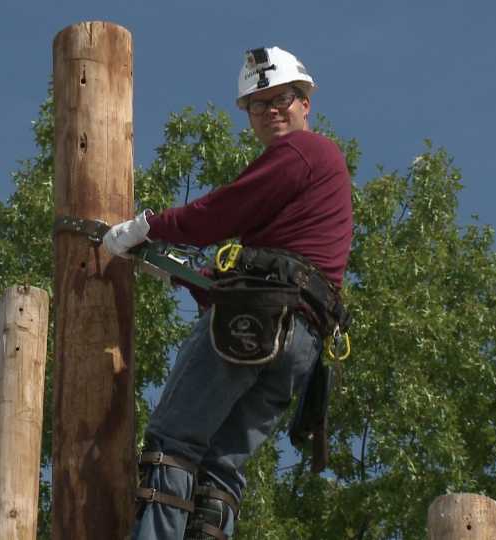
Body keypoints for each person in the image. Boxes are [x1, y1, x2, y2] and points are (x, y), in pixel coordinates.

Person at [102, 46, 353, 540]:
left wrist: (150, 228)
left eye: (284, 98)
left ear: (306, 104)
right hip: (297, 342)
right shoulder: (315, 179)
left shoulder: (303, 152)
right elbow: (274, 262)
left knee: (174, 441)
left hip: (259, 319)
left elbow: (222, 212)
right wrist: (180, 275)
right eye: (260, 104)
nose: (273, 110)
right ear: (249, 116)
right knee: (221, 466)